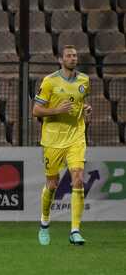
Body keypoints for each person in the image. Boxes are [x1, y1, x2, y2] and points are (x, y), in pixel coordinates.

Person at [33, 46, 92, 246]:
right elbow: (36, 110)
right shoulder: (49, 81)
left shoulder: (84, 80)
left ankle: (75, 231)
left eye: (75, 55)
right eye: (69, 56)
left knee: (78, 179)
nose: (73, 58)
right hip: (53, 140)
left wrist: (85, 109)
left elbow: (80, 102)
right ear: (60, 59)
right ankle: (44, 223)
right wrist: (57, 110)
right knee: (52, 185)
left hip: (76, 137)